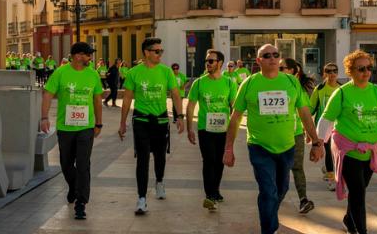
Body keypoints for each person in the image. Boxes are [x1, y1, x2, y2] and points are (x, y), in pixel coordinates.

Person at [223, 44, 323, 234]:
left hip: (287, 147)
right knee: (268, 191)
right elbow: (235, 117)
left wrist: (316, 141)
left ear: (280, 59)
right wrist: (228, 148)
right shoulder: (249, 84)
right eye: (266, 56)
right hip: (259, 147)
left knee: (282, 189)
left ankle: (267, 216)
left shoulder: (290, 82)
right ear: (258, 61)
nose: (272, 58)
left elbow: (305, 113)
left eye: (275, 55)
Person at [317, 50, 377, 234]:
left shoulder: (376, 91)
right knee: (359, 194)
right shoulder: (343, 93)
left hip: (372, 151)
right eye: (361, 69)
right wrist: (319, 142)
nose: (366, 72)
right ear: (351, 71)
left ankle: (349, 218)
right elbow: (327, 119)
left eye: (369, 68)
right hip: (350, 151)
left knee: (359, 190)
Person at [119, 38, 185, 215]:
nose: (160, 54)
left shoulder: (166, 72)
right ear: (146, 52)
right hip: (141, 120)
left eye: (161, 51)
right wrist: (122, 123)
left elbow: (176, 94)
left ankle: (160, 181)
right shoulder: (134, 73)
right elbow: (126, 99)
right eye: (157, 51)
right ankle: (141, 198)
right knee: (142, 159)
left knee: (160, 156)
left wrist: (180, 116)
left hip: (161, 120)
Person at [41, 42, 103, 220]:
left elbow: (97, 100)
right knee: (66, 164)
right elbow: (47, 94)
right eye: (87, 55)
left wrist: (98, 123)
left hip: (86, 127)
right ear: (77, 56)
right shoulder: (60, 73)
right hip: (65, 127)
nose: (90, 58)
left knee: (83, 164)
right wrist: (44, 117)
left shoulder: (93, 74)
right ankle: (74, 187)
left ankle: (81, 203)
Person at [186, 49, 237, 211]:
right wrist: (189, 128)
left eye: (211, 61)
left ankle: (215, 190)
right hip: (205, 129)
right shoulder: (199, 83)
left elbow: (234, 108)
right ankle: (209, 195)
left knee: (219, 161)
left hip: (223, 129)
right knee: (208, 161)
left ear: (220, 63)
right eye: (207, 61)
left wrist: (234, 130)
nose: (207, 63)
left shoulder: (229, 83)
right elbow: (191, 106)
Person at [280, 58, 316, 214]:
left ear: (294, 71)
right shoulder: (274, 85)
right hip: (277, 135)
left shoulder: (299, 89)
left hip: (296, 135)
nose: (279, 70)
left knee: (297, 167)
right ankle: (276, 198)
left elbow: (306, 113)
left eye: (283, 68)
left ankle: (303, 200)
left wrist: (310, 133)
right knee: (280, 170)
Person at [310, 62, 341, 190]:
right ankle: (331, 178)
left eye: (334, 71)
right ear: (324, 74)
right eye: (329, 71)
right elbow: (311, 108)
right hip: (323, 125)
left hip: (339, 126)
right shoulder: (320, 89)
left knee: (336, 153)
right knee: (328, 151)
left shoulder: (342, 89)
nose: (332, 73)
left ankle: (330, 171)